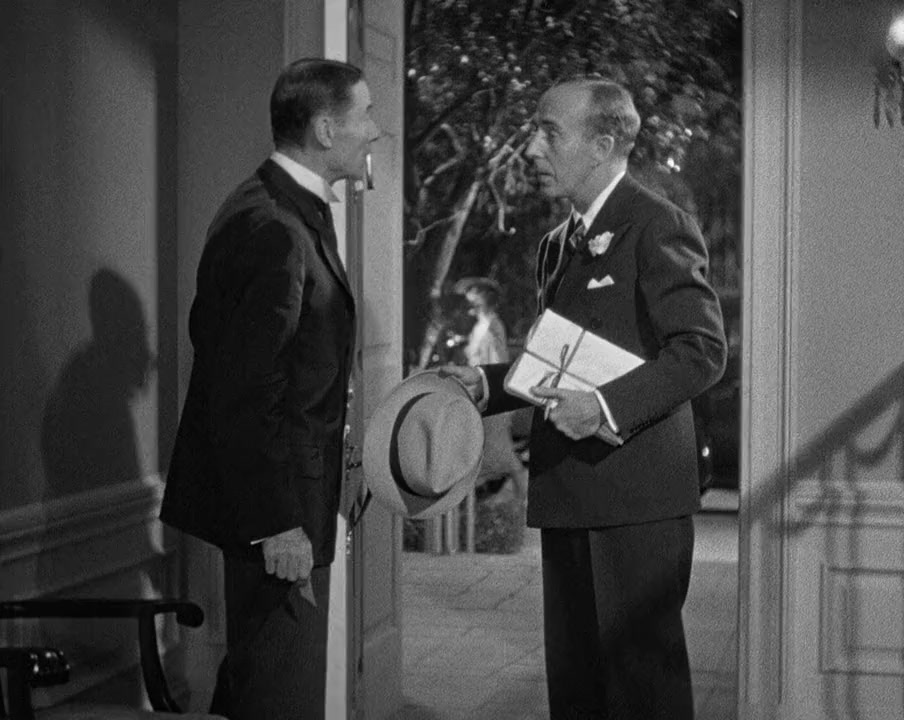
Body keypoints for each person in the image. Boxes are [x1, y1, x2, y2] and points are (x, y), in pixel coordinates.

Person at [442, 76, 727, 719]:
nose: (533, 149)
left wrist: (603, 408)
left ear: (602, 144)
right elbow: (561, 357)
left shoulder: (658, 225)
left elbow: (701, 350)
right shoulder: (557, 244)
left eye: (549, 133)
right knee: (577, 690)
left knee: (642, 694)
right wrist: (487, 384)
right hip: (569, 490)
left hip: (637, 503)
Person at [159, 58, 379, 720]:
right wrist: (277, 523)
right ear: (324, 129)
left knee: (268, 682)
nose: (374, 131)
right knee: (282, 695)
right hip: (277, 515)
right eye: (366, 115)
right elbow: (244, 391)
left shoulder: (281, 207)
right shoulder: (272, 225)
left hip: (288, 500)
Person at [458, 278, 528, 503]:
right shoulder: (479, 326)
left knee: (501, 452)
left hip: (491, 392)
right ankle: (508, 502)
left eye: (474, 292)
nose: (469, 296)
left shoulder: (493, 325)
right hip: (481, 392)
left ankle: (520, 501)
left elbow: (497, 361)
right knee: (492, 450)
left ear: (485, 297)